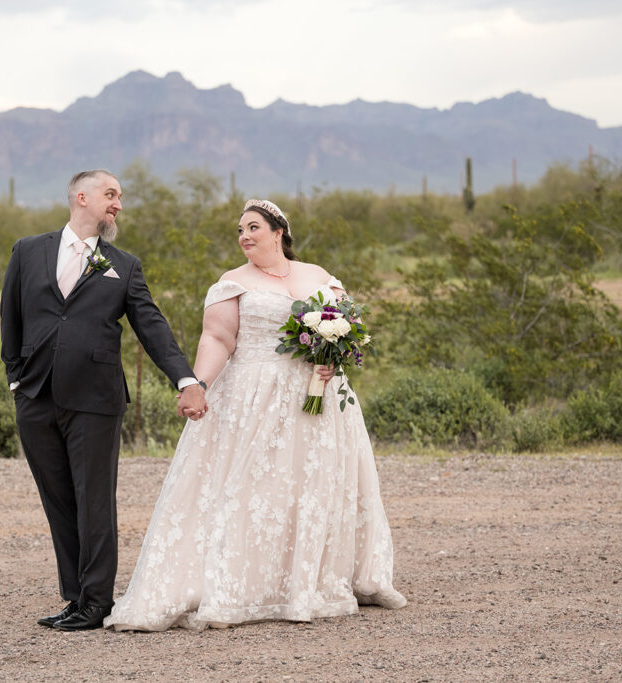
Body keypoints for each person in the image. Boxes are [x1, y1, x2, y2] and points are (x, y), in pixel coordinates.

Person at [104, 198, 406, 632]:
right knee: (253, 486)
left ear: (278, 231)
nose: (244, 236)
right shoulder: (233, 282)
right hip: (253, 395)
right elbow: (218, 338)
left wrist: (332, 362)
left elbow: (346, 331)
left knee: (313, 483)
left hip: (317, 395)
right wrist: (198, 384)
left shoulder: (319, 277)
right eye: (240, 230)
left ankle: (314, 578)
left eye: (253, 227)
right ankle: (247, 582)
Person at [0, 169, 208, 631]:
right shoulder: (28, 251)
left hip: (95, 399)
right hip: (35, 397)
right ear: (82, 196)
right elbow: (9, 320)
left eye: (119, 198)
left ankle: (96, 604)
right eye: (110, 195)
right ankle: (73, 598)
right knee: (58, 501)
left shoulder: (124, 265)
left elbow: (152, 326)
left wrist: (185, 379)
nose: (117, 204)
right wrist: (16, 380)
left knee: (94, 501)